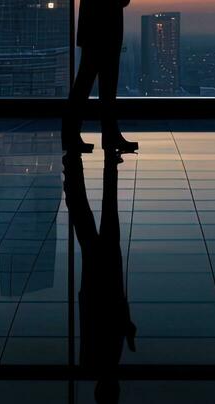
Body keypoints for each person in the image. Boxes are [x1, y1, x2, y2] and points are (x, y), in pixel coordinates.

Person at [66, 151, 137, 404]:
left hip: (105, 283)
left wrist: (127, 326)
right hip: (97, 285)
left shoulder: (104, 361)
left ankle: (98, 167)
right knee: (86, 219)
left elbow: (110, 318)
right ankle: (73, 171)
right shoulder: (92, 363)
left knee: (106, 213)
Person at [68, 0, 138, 154]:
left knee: (105, 88)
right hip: (100, 34)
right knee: (86, 87)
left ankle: (110, 136)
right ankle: (75, 135)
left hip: (103, 35)